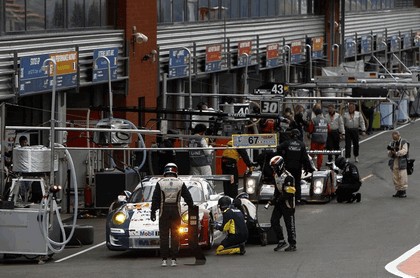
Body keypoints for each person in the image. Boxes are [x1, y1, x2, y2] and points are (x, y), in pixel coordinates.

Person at [150, 163, 194, 267]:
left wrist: (153, 211)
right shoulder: (180, 182)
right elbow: (188, 196)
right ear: (176, 171)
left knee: (164, 236)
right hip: (176, 210)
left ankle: (164, 260)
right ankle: (174, 259)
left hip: (163, 210)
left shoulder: (160, 182)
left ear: (165, 171)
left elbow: (155, 198)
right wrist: (191, 206)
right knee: (175, 235)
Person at [267, 155, 297, 252]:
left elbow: (288, 193)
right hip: (279, 203)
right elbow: (277, 190)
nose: (273, 169)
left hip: (288, 204)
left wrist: (277, 199)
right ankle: (281, 240)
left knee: (289, 224)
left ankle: (292, 244)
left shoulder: (288, 177)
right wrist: (273, 199)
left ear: (280, 165)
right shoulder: (276, 176)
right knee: (274, 221)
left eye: (274, 167)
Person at [277, 129, 314, 205]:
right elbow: (305, 158)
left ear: (291, 135)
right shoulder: (301, 144)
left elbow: (278, 148)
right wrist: (308, 168)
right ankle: (297, 200)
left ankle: (287, 198)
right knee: (297, 183)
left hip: (288, 167)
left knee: (287, 182)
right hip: (297, 167)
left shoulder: (287, 143)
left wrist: (283, 154)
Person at [387, 131, 409, 198]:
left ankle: (403, 191)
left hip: (401, 160)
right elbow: (388, 153)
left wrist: (397, 152)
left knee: (402, 176)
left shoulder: (403, 142)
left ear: (398, 135)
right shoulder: (392, 143)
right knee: (395, 176)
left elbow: (405, 151)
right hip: (394, 161)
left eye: (395, 137)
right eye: (393, 137)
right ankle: (398, 190)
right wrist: (391, 152)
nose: (393, 138)